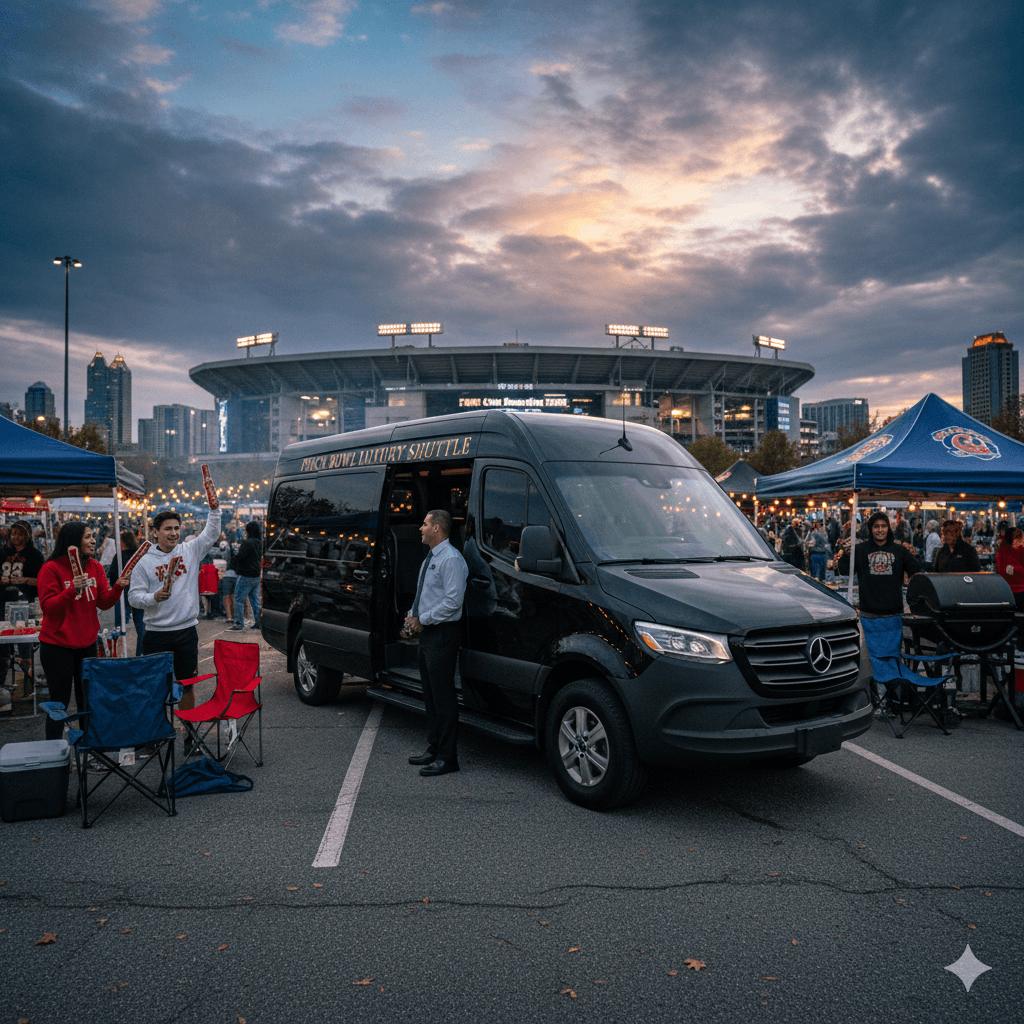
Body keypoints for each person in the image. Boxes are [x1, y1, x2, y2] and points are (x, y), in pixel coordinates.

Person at [36, 523, 133, 740]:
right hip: (57, 646)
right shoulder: (51, 568)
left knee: (88, 700)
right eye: (87, 537)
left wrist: (117, 587)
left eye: (93, 537)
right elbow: (48, 606)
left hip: (87, 643)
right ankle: (53, 752)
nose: (93, 541)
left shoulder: (96, 567)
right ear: (73, 540)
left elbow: (103, 602)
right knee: (58, 703)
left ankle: (89, 748)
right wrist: (71, 590)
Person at [128, 495, 221, 713]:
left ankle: (188, 733)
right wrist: (153, 598)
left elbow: (211, 533)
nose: (173, 533)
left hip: (185, 631)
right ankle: (158, 737)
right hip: (155, 633)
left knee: (186, 686)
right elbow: (133, 596)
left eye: (177, 528)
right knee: (155, 687)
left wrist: (214, 510)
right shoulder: (144, 560)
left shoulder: (189, 551)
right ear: (155, 532)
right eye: (168, 528)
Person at [404, 510, 468, 777]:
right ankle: (433, 748)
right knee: (429, 694)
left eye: (425, 524)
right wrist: (411, 617)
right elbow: (424, 593)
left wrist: (423, 620)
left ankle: (447, 757)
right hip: (429, 631)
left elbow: (454, 603)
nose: (420, 528)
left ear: (438, 529)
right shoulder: (432, 557)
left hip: (442, 633)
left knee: (443, 698)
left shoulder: (451, 559)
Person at [0, 520, 46, 688]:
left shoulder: (34, 555)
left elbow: (42, 581)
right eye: (13, 533)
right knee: (3, 645)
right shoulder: (3, 553)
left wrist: (24, 580)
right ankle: (5, 682)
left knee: (24, 642)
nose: (15, 536)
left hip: (24, 604)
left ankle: (25, 682)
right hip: (2, 603)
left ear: (26, 536)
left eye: (19, 533)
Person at [854, 510, 925, 618]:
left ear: (888, 528)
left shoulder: (900, 550)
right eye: (876, 526)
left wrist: (914, 555)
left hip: (894, 612)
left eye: (884, 526)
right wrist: (845, 554)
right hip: (868, 613)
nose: (880, 530)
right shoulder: (860, 550)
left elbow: (915, 571)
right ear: (870, 528)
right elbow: (844, 570)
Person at [107, 527, 147, 656]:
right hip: (139, 593)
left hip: (123, 593)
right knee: (141, 626)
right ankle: (140, 654)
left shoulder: (119, 557)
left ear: (123, 542)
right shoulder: (139, 556)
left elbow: (112, 574)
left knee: (120, 627)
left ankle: (120, 654)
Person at [228, 521, 262, 631]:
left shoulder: (247, 543)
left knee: (238, 599)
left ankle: (238, 623)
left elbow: (240, 557)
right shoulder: (259, 542)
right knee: (255, 600)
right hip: (256, 575)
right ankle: (259, 622)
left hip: (245, 574)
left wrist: (234, 564)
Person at [995, 527, 1024, 611]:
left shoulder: (1001, 552)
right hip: (1021, 590)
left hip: (1006, 591)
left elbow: (1001, 572)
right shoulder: (1021, 550)